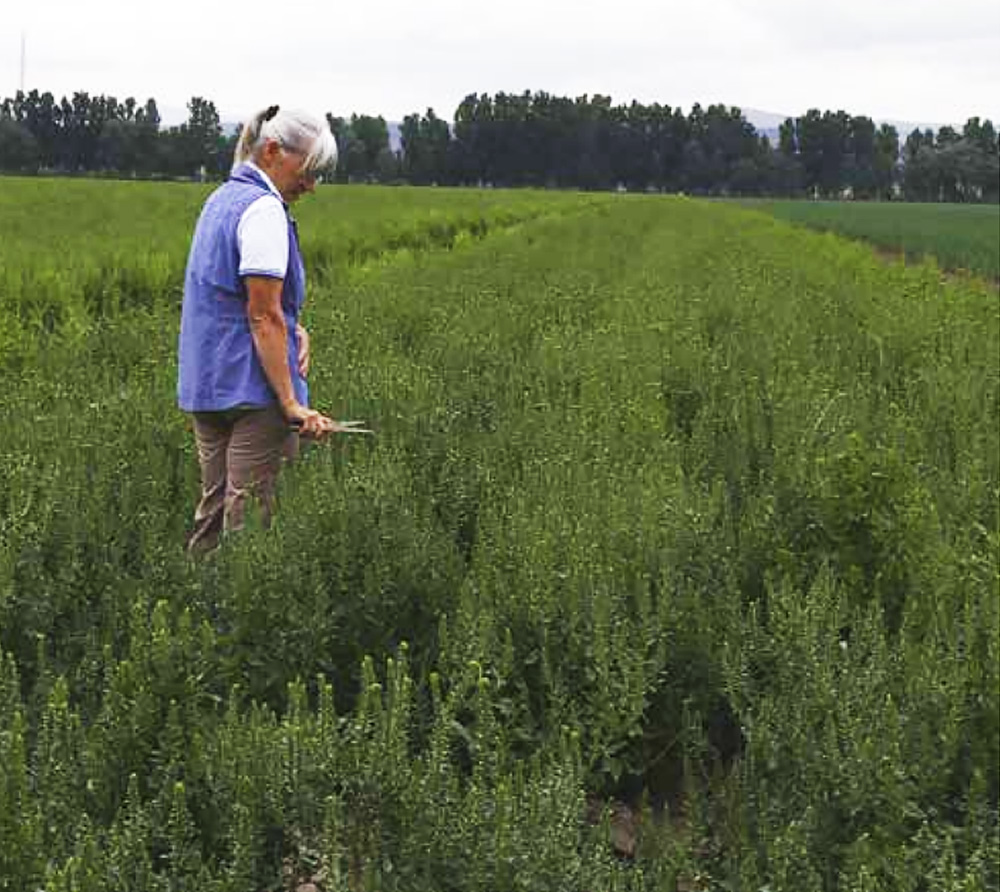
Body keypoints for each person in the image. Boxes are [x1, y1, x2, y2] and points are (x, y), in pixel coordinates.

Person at [178, 104, 344, 553]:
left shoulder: (220, 199)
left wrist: (295, 328)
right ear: (272, 151)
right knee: (251, 525)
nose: (310, 185)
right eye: (307, 171)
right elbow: (263, 314)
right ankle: (238, 618)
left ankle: (196, 612)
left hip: (207, 384)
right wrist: (291, 405)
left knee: (212, 515)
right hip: (253, 392)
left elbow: (230, 296)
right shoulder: (264, 210)